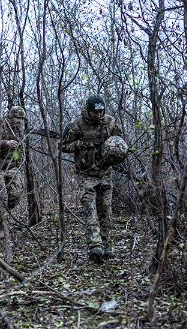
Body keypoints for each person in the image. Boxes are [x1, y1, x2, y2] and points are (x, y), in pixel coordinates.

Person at [61, 94, 124, 264]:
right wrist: (79, 144)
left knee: (105, 211)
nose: (98, 115)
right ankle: (94, 246)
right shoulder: (76, 124)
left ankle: (106, 243)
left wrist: (116, 152)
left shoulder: (110, 122)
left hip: (105, 173)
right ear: (88, 111)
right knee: (90, 211)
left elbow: (119, 142)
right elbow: (63, 146)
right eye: (94, 112)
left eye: (101, 111)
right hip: (86, 174)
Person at [0, 106, 26, 221]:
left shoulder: (19, 129)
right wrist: (5, 143)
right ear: (11, 117)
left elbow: (21, 147)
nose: (20, 121)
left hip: (12, 166)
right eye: (17, 118)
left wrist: (19, 163)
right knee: (1, 197)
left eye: (22, 118)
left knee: (16, 195)